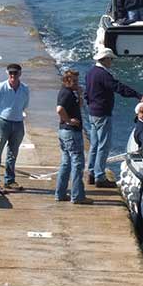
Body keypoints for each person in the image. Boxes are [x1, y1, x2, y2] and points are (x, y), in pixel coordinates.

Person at [85, 47, 141, 187]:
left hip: (92, 112)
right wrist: (138, 95)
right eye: (111, 59)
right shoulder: (104, 75)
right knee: (103, 146)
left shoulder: (90, 73)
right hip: (103, 113)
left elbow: (87, 94)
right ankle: (100, 177)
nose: (112, 62)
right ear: (105, 59)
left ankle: (91, 173)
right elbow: (118, 88)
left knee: (94, 145)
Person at [0, 63, 30, 192]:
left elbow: (24, 106)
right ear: (7, 74)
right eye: (11, 73)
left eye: (15, 73)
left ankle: (9, 180)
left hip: (17, 123)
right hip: (2, 122)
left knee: (13, 153)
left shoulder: (25, 89)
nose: (13, 76)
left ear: (20, 74)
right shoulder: (0, 89)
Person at [55, 69, 90, 204]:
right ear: (66, 81)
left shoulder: (71, 92)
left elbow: (79, 106)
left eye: (77, 80)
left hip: (65, 132)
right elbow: (59, 109)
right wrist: (69, 120)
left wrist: (79, 94)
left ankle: (61, 193)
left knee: (66, 163)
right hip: (70, 132)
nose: (76, 83)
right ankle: (77, 196)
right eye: (73, 81)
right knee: (77, 163)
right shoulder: (66, 93)